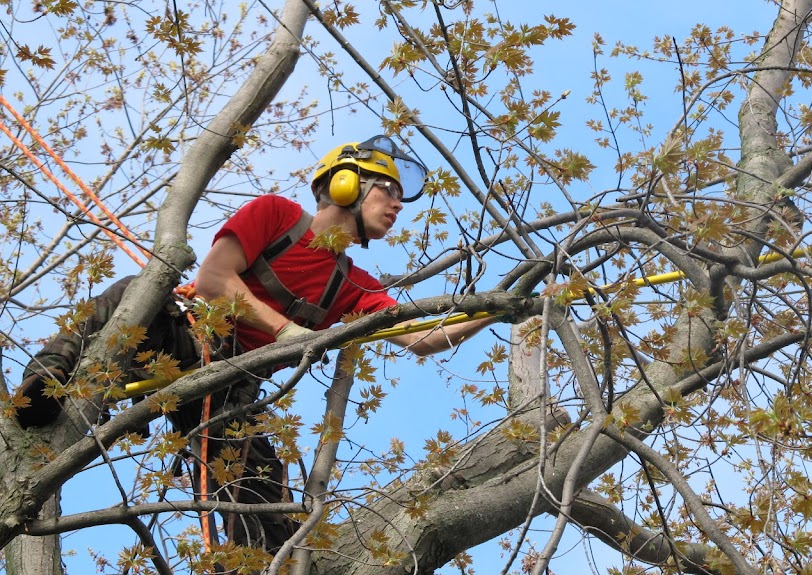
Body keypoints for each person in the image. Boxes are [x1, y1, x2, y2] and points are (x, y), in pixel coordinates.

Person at [14, 135, 495, 553]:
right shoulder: (276, 215)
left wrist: (502, 307)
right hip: (183, 335)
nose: (396, 206)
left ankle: (262, 563)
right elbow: (213, 278)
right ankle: (46, 381)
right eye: (387, 191)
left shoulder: (354, 286)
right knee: (134, 292)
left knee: (266, 494)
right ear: (348, 183)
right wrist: (285, 331)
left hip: (230, 389)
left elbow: (426, 338)